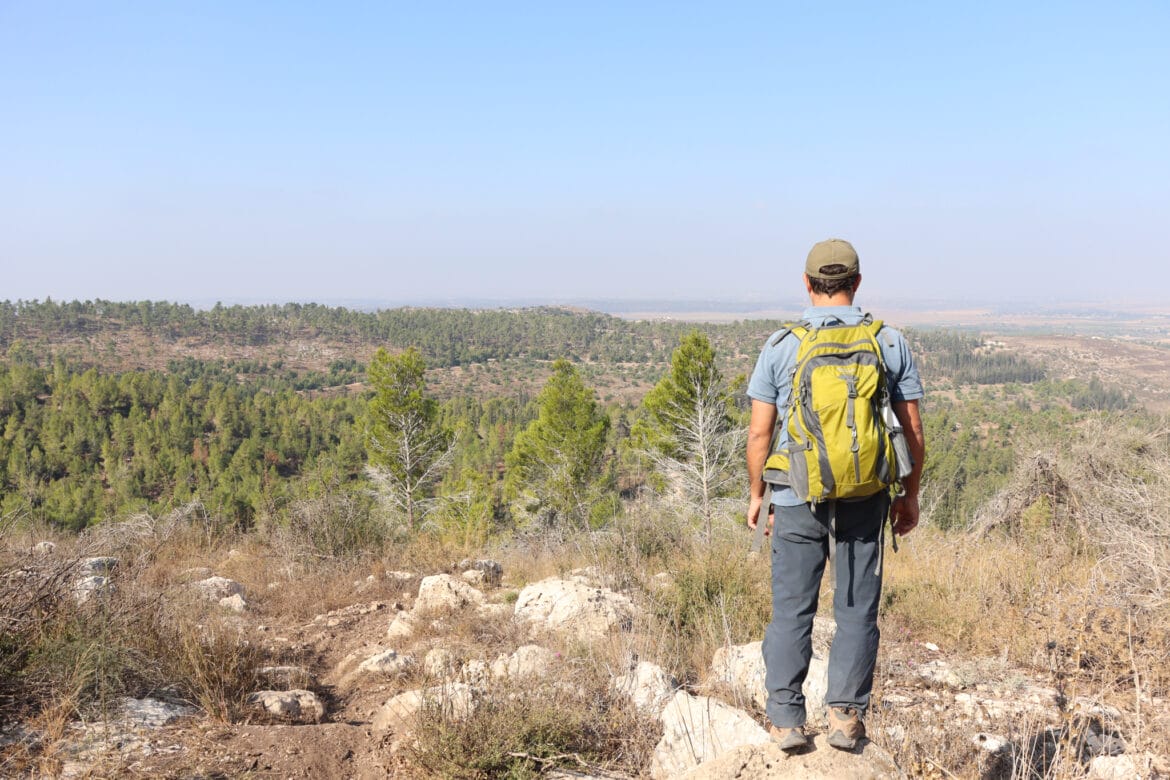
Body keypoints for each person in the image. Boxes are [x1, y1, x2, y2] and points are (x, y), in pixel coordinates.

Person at [745, 238, 925, 752]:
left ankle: (786, 720)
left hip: (796, 494)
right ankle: (845, 718)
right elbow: (911, 429)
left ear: (806, 284)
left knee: (792, 609)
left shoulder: (782, 345)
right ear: (858, 283)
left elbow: (761, 433)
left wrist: (759, 495)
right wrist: (908, 494)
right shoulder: (888, 342)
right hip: (867, 496)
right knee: (855, 609)